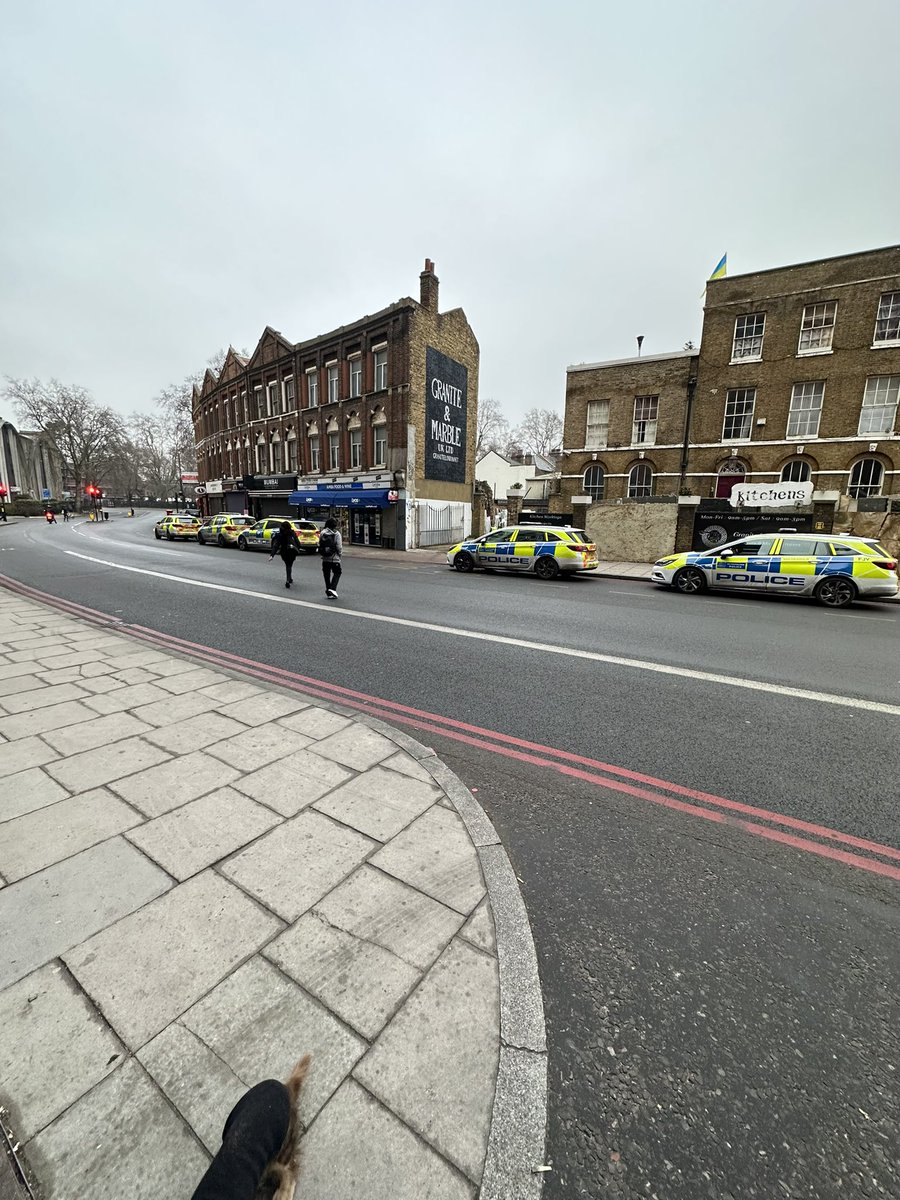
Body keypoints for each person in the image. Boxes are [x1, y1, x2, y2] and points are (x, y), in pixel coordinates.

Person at [269, 520, 301, 588]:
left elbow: (276, 545)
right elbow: (298, 542)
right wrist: (298, 548)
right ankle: (289, 578)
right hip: (292, 551)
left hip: (284, 551)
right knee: (290, 565)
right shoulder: (292, 533)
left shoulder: (280, 534)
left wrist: (272, 555)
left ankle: (288, 579)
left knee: (287, 565)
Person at [319, 516, 343, 598]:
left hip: (325, 558)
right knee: (337, 572)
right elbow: (339, 547)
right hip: (334, 558)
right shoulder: (336, 533)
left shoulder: (322, 533)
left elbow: (320, 544)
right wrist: (340, 554)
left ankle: (328, 591)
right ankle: (332, 588)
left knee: (326, 575)